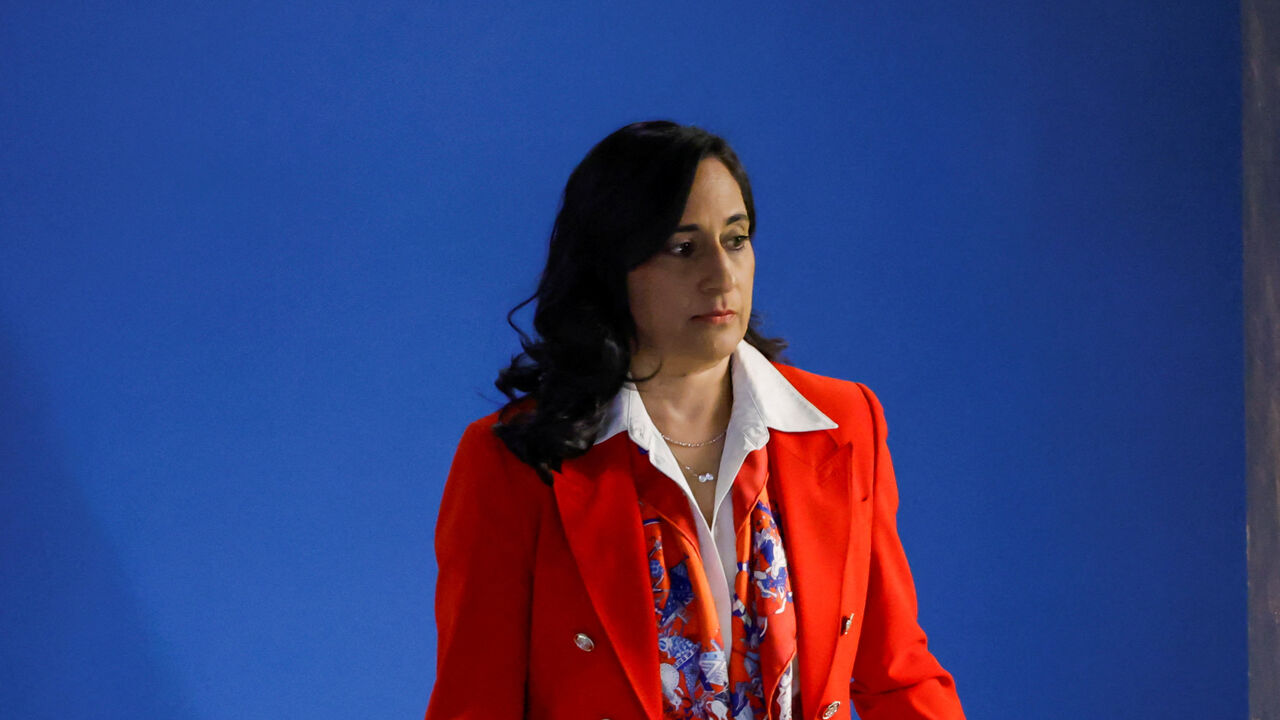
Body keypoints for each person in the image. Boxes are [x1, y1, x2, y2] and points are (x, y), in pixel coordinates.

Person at [425, 121, 965, 720]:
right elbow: (473, 704)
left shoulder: (844, 424)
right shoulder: (514, 458)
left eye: (736, 240)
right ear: (611, 268)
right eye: (683, 248)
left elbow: (897, 674)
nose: (721, 274)